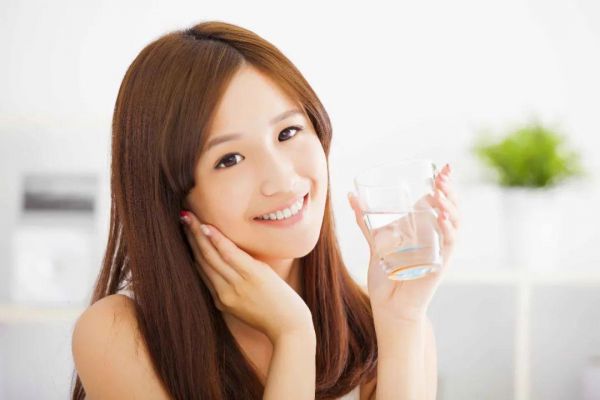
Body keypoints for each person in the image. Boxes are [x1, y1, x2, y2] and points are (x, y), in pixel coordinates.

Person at [70, 20, 460, 400]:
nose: (282, 180)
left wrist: (402, 321)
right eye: (230, 159)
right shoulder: (118, 334)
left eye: (288, 132)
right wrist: (293, 337)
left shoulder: (386, 327)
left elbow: (399, 329)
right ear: (172, 196)